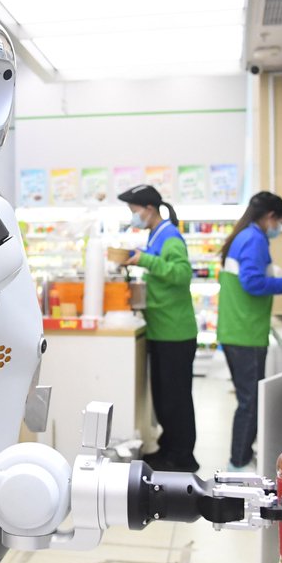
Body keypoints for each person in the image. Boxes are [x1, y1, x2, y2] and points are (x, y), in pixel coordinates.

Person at [119, 183, 199, 472]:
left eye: (134, 210)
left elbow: (181, 274)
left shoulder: (171, 237)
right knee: (165, 397)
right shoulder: (156, 235)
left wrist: (146, 259)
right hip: (161, 328)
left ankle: (183, 456)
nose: (133, 216)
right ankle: (169, 448)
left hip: (175, 332)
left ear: (149, 209)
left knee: (176, 397)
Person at [217, 191, 282, 471]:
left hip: (239, 330)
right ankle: (238, 462)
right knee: (249, 402)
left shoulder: (245, 236)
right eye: (279, 223)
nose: (277, 230)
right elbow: (252, 282)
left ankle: (240, 458)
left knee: (247, 400)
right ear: (270, 217)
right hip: (245, 332)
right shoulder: (255, 239)